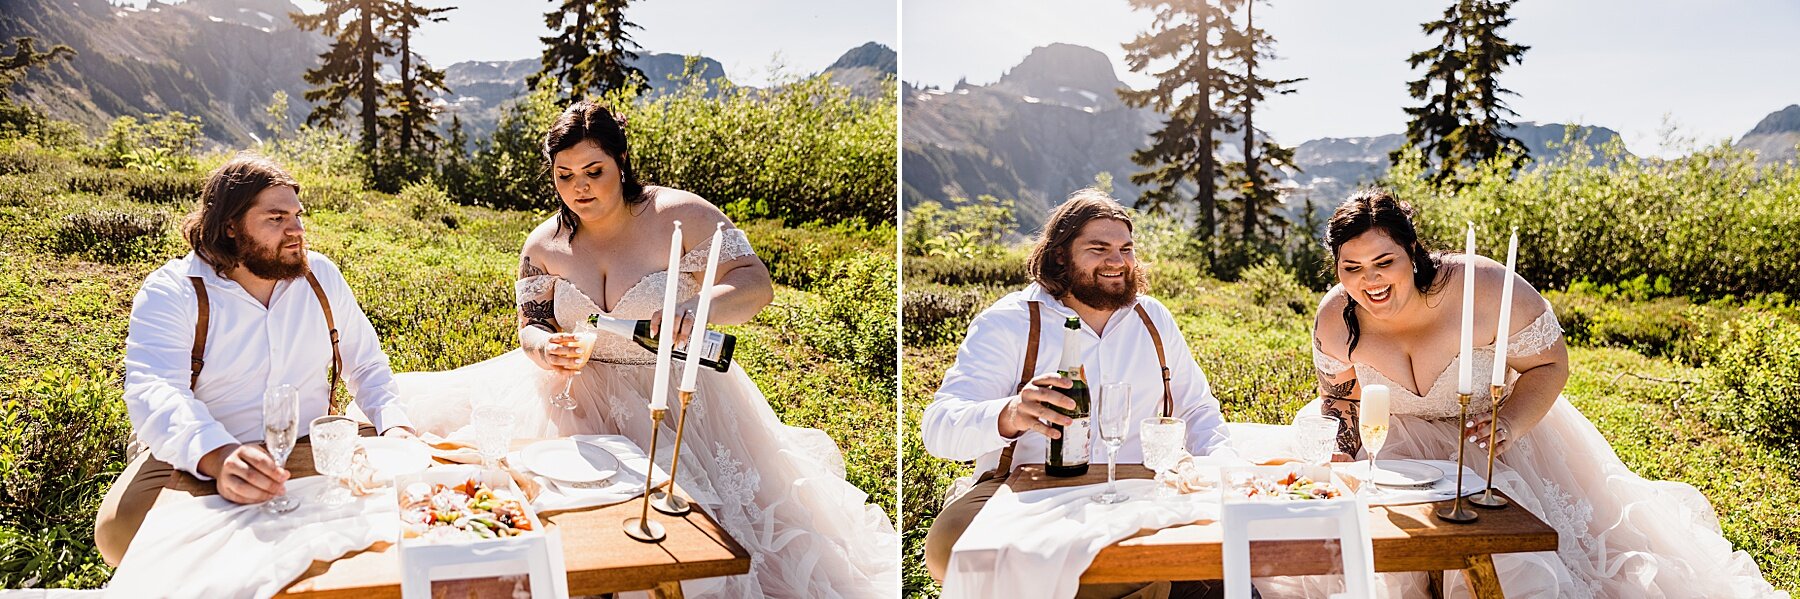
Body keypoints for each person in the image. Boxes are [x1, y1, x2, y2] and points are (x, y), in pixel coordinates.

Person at [393, 101, 897, 598]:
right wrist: (546, 348)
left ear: (622, 163)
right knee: (550, 516)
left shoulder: (680, 216)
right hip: (573, 397)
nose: (580, 188)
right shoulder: (543, 244)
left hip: (676, 391)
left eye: (594, 170)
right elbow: (532, 324)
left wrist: (699, 306)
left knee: (690, 538)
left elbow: (755, 283)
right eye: (564, 175)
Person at [1309, 187, 1787, 598]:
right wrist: (1347, 468)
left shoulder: (1484, 287)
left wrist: (1511, 422)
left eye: (1383, 262)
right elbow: (1340, 401)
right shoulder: (1336, 319)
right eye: (1351, 267)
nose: (1368, 280)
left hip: (1491, 440)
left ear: (1412, 252)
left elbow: (1549, 362)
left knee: (1518, 570)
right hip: (1394, 451)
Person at [95, 155, 416, 566]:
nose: (296, 231)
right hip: (205, 451)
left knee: (405, 497)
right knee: (119, 531)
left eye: (298, 216)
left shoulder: (321, 277)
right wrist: (219, 454)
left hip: (306, 443)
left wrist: (395, 425)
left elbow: (367, 364)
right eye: (276, 218)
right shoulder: (174, 290)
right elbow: (153, 391)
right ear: (230, 225)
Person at [921, 189, 1235, 599]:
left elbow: (1197, 409)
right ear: (1059, 256)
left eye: (1126, 249)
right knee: (950, 548)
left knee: (1210, 550)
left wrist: (1228, 471)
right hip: (1025, 493)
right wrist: (1011, 413)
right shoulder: (1010, 322)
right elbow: (939, 427)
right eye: (1098, 248)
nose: (1117, 261)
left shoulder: (1153, 318)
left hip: (1143, 489)